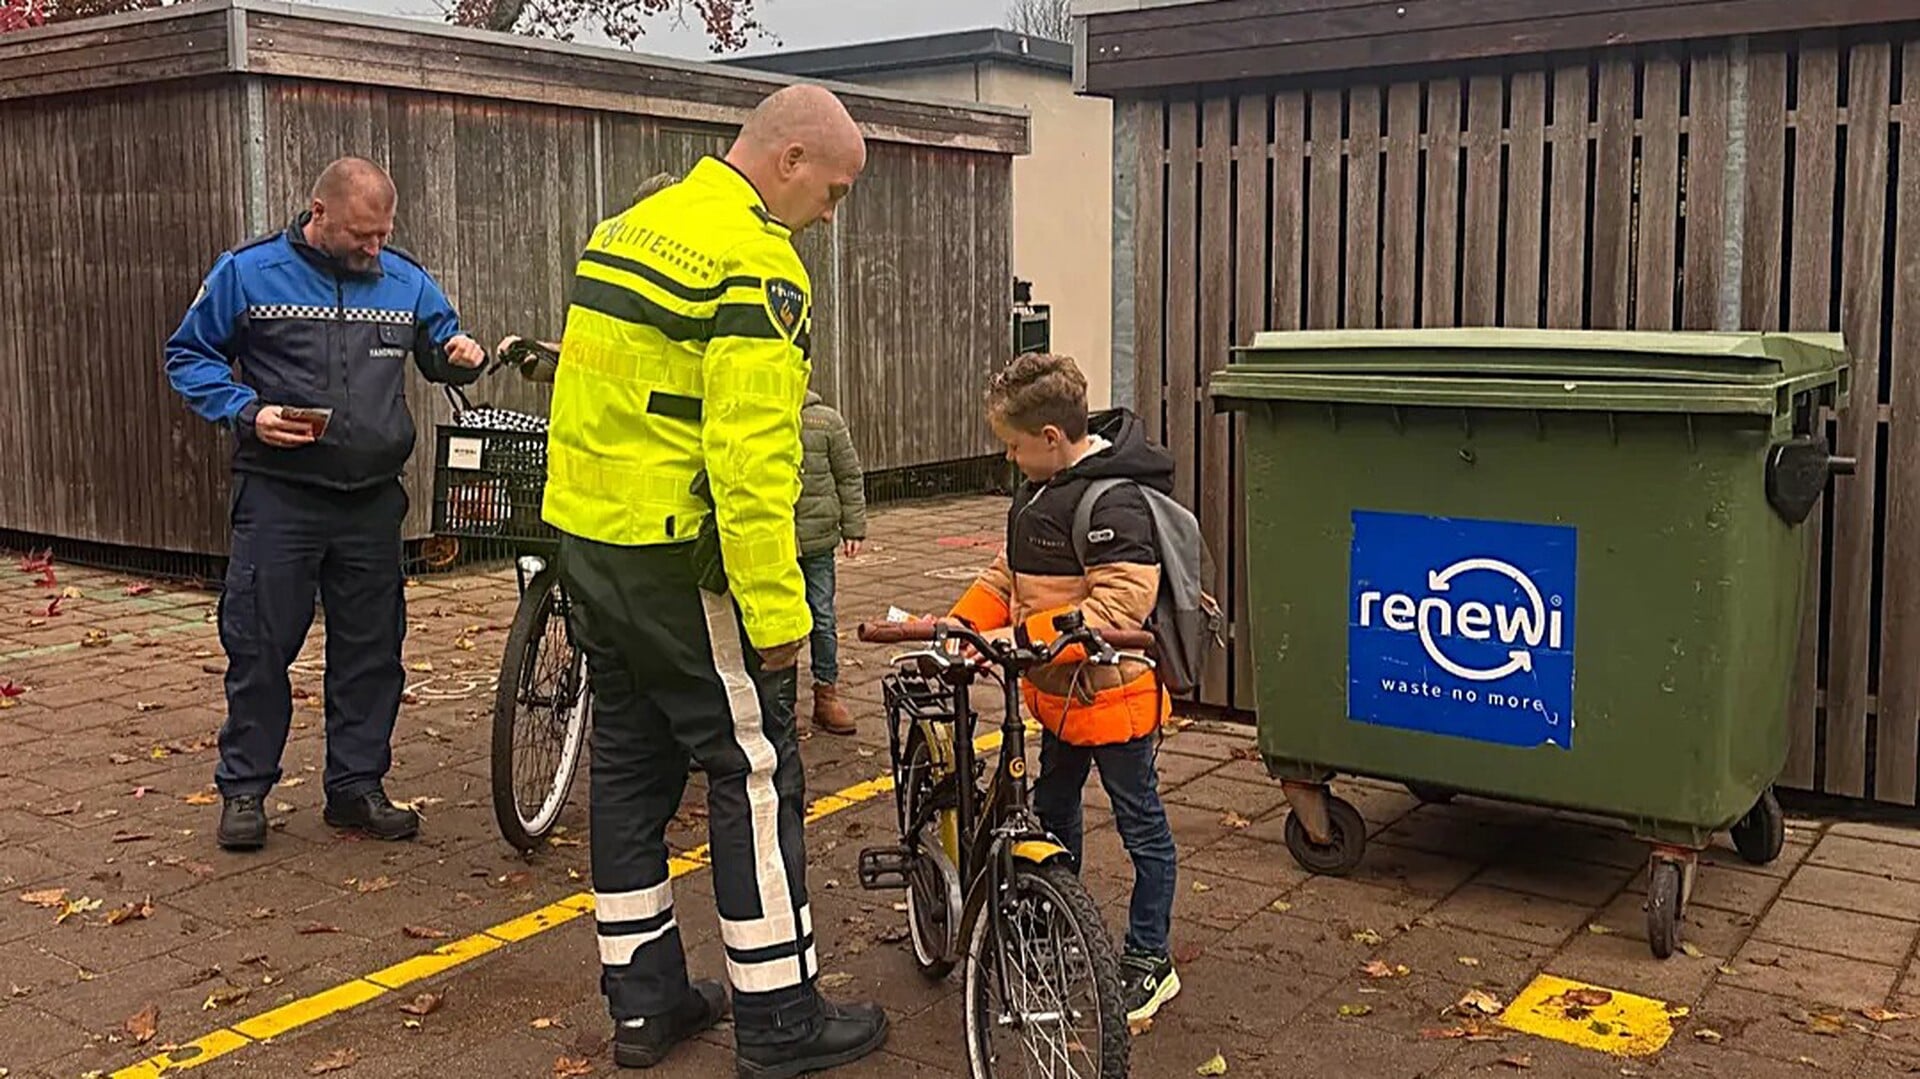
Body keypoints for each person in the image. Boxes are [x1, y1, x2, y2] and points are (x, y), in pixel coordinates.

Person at [539, 85, 886, 1076]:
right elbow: (751, 458)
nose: (831, 214)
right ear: (790, 160)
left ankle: (644, 1007)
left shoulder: (628, 228)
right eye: (834, 189)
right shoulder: (755, 262)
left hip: (592, 542)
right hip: (681, 559)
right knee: (755, 770)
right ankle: (779, 1016)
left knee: (626, 768)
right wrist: (777, 614)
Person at [164, 157, 487, 851]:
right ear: (319, 214)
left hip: (371, 500)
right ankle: (245, 790)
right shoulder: (248, 273)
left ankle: (355, 787)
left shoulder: (405, 279)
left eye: (383, 233)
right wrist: (246, 411)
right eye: (361, 235)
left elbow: (438, 347)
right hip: (280, 494)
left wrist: (459, 352)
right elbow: (188, 356)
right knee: (259, 645)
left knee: (372, 651)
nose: (375, 247)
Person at [946, 352, 1184, 1025]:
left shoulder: (1114, 502)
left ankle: (1150, 957)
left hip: (1115, 699)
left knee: (1142, 826)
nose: (1009, 457)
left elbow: (1117, 607)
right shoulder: (1038, 491)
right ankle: (1060, 918)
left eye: (1014, 445)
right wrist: (964, 624)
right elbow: (1006, 576)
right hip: (1059, 698)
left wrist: (1016, 639)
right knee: (1052, 810)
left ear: (1051, 437)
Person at [783, 391, 866, 736]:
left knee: (822, 618)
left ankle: (826, 693)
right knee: (777, 624)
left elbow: (849, 475)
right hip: (774, 544)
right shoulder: (764, 415)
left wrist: (853, 527)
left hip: (817, 542)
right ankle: (779, 701)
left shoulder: (826, 421)